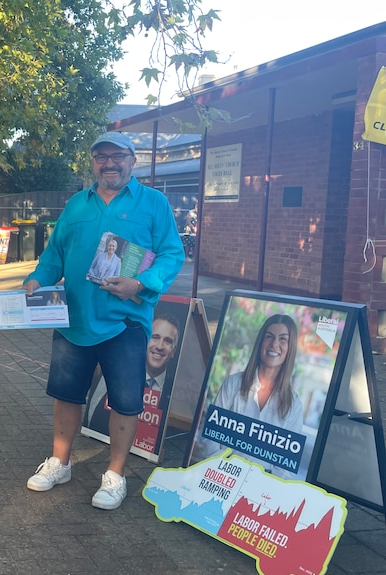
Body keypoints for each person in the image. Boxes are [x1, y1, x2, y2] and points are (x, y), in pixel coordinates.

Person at [22, 131, 184, 510]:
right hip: (72, 319)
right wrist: (36, 280)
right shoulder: (76, 205)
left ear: (132, 159)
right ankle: (60, 463)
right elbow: (54, 257)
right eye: (101, 157)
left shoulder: (154, 204)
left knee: (126, 401)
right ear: (92, 162)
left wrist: (140, 283)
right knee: (67, 395)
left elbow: (171, 255)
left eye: (117, 156)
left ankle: (115, 475)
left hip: (126, 322)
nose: (109, 163)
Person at [195, 314, 304, 476]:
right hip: (222, 475)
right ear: (261, 342)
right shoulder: (232, 384)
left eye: (283, 339)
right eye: (269, 337)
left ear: (291, 348)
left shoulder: (294, 404)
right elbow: (210, 439)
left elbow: (285, 467)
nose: (274, 344)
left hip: (263, 486)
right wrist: (221, 474)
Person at [84, 314, 180, 430]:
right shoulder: (114, 375)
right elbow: (91, 419)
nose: (159, 346)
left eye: (168, 341)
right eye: (155, 337)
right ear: (146, 339)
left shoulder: (175, 392)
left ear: (174, 351)